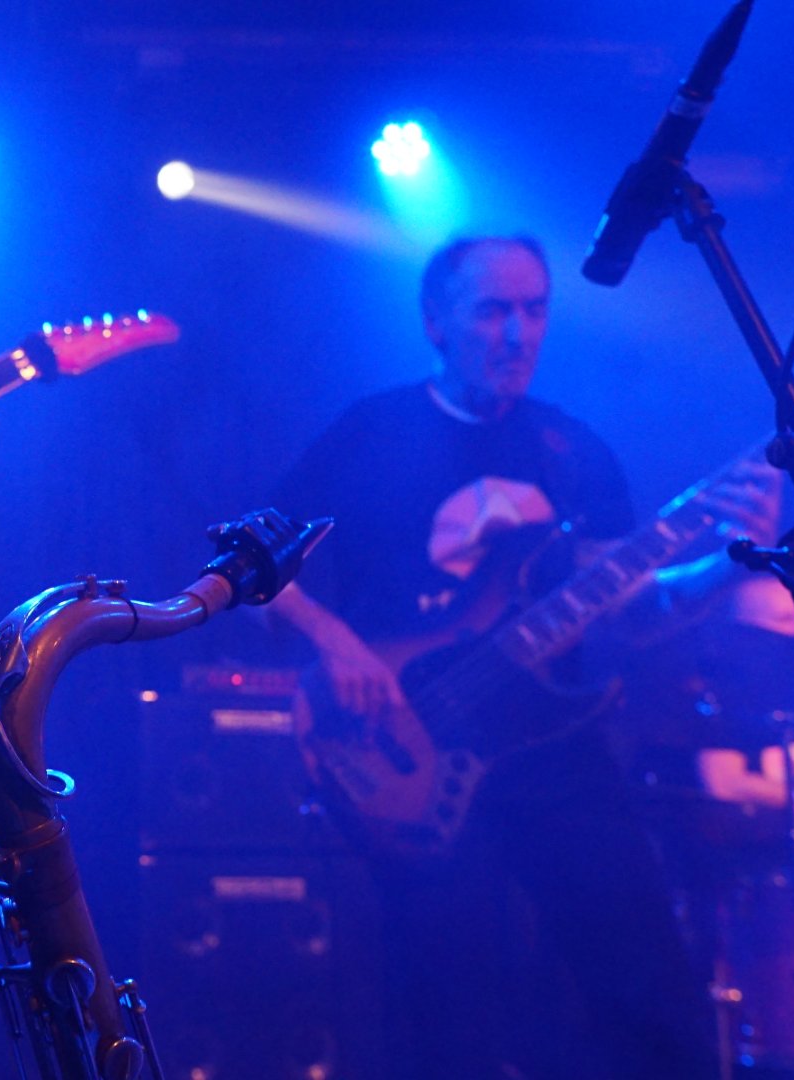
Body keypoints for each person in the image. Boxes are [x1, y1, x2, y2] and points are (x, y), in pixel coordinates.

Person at [268, 235, 734, 1079]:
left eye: (535, 309)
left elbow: (634, 609)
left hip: (555, 750)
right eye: (493, 310)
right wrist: (336, 643)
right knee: (451, 1019)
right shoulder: (372, 433)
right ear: (435, 321)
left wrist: (732, 562)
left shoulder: (573, 451)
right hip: (408, 748)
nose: (518, 333)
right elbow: (248, 562)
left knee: (653, 995)